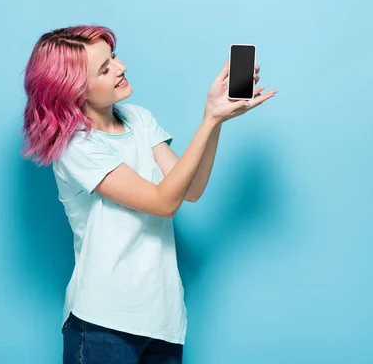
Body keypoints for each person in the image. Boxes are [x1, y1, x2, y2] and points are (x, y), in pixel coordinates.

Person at [21, 25, 277, 364]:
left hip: (163, 321)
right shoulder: (76, 147)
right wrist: (208, 121)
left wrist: (213, 119)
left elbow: (192, 189)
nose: (121, 66)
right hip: (103, 325)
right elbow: (163, 203)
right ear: (74, 89)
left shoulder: (139, 119)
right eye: (105, 68)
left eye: (112, 57)